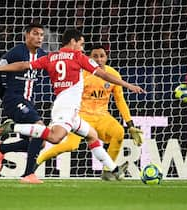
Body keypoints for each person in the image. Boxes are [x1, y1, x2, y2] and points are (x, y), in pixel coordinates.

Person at [0, 28, 146, 180]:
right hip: (66, 108)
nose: (82, 48)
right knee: (54, 138)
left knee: (92, 136)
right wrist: (128, 85)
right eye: (81, 44)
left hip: (69, 109)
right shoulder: (78, 57)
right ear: (73, 42)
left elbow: (24, 65)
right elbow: (103, 74)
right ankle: (12, 128)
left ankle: (114, 171)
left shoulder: (50, 57)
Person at [35, 45, 144, 181]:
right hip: (81, 115)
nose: (99, 59)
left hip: (102, 116)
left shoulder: (114, 74)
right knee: (71, 145)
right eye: (95, 56)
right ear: (89, 58)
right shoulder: (82, 74)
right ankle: (38, 160)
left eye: (102, 56)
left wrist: (130, 125)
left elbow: (120, 101)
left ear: (107, 57)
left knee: (119, 132)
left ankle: (107, 172)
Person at [0, 23, 47, 184]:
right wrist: (3, 94)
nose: (39, 38)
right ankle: (29, 174)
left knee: (40, 142)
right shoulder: (16, 52)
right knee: (40, 127)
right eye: (35, 34)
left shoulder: (42, 54)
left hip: (28, 102)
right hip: (14, 99)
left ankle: (1, 148)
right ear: (27, 35)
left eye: (41, 35)